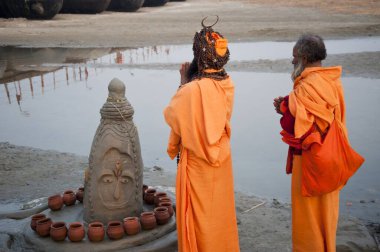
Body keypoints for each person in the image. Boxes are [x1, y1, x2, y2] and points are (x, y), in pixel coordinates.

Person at [273, 34, 363, 251]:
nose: (293, 61)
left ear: (303, 57)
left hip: (310, 162)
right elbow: (324, 117)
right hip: (333, 157)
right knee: (327, 215)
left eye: (294, 57)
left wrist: (284, 109)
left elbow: (295, 127)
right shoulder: (331, 81)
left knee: (308, 218)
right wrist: (287, 104)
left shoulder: (305, 87)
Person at [163, 16, 240, 252]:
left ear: (200, 55)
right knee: (219, 215)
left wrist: (183, 81)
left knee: (198, 222)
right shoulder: (227, 84)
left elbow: (172, 116)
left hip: (197, 166)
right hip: (221, 162)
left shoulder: (192, 90)